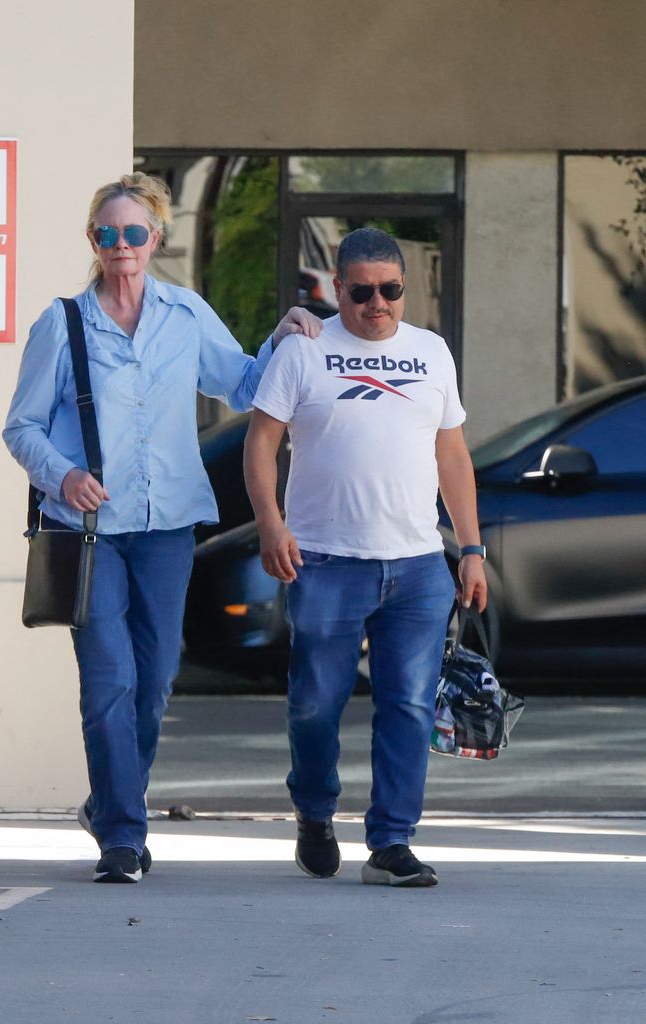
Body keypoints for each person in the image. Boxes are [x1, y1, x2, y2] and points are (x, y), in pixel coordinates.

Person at [4, 172, 319, 883]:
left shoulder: (185, 314)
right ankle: (122, 835)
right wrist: (63, 474)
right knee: (108, 678)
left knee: (154, 682)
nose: (122, 246)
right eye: (108, 234)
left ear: (155, 238)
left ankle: (111, 800)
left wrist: (278, 336)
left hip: (168, 524)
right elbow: (20, 426)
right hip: (89, 531)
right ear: (93, 241)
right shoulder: (62, 324)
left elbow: (240, 385)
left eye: (134, 233)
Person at [244, 227, 487, 887]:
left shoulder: (431, 352)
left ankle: (390, 842)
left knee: (407, 706)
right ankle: (314, 812)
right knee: (315, 705)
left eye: (390, 290)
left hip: (414, 566)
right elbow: (261, 443)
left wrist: (470, 549)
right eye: (361, 292)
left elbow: (452, 456)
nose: (376, 303)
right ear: (338, 289)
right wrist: (270, 522)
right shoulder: (304, 351)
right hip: (324, 560)